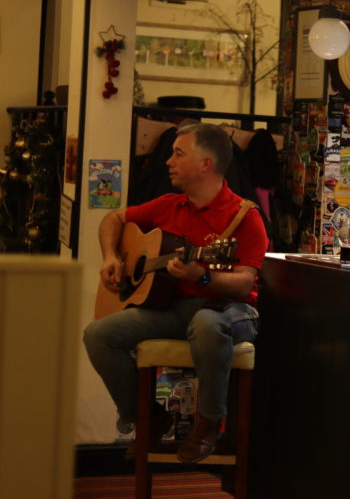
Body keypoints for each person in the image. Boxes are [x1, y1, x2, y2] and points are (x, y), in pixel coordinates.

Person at [83, 122, 269, 463]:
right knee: (98, 334)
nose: (167, 160)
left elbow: (244, 282)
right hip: (174, 308)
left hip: (231, 310)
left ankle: (209, 423)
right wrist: (111, 257)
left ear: (206, 164)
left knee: (208, 324)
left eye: (178, 154)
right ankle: (149, 418)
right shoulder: (169, 205)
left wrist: (201, 277)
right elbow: (113, 219)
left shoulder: (245, 215)